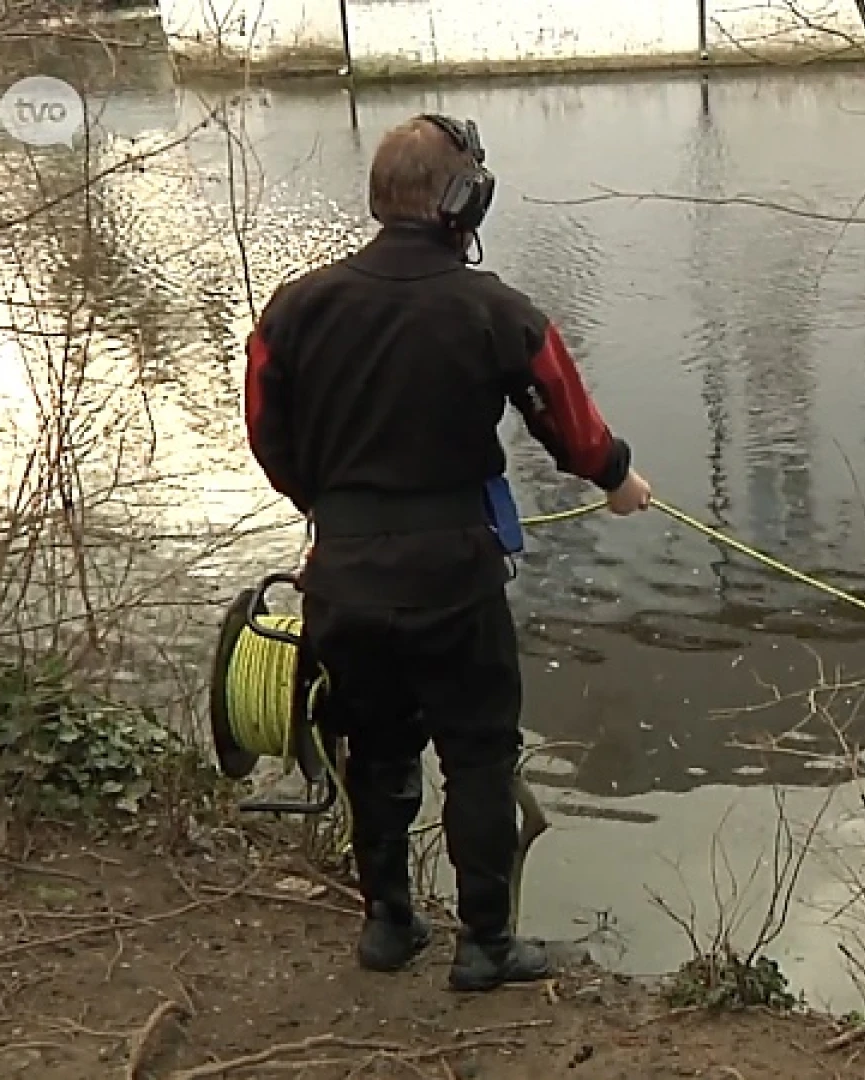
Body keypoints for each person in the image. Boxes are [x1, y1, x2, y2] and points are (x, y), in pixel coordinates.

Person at [240, 113, 651, 991]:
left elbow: (266, 431)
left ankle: (388, 926)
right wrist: (618, 480)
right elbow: (566, 421)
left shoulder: (296, 308)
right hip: (454, 579)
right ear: (464, 201)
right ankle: (485, 945)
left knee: (374, 748)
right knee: (477, 754)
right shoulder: (497, 311)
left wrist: (328, 507)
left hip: (344, 574)